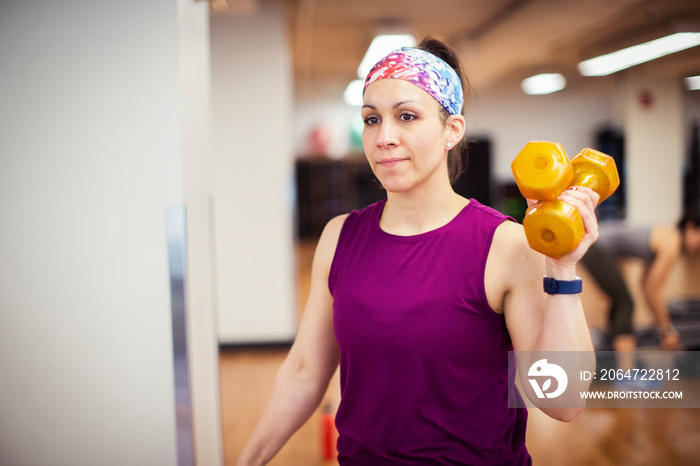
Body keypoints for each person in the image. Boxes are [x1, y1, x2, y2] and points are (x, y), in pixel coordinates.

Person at [238, 38, 599, 465]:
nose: (384, 137)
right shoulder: (339, 238)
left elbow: (564, 401)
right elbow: (304, 370)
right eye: (371, 119)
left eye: (407, 116)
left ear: (452, 131)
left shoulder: (506, 244)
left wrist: (562, 269)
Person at [580, 211, 700, 353]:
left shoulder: (667, 237)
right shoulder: (672, 243)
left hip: (594, 244)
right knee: (625, 303)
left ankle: (617, 359)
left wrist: (661, 325)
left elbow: (646, 285)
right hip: (595, 244)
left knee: (620, 302)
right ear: (690, 227)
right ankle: (626, 369)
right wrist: (667, 331)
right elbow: (653, 289)